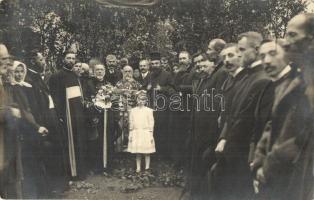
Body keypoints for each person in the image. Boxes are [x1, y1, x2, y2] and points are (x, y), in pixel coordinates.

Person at [251, 14, 314, 200]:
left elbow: (299, 137)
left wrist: (268, 165)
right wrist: (259, 162)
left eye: (292, 35)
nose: (285, 43)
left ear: (311, 41)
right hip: (280, 176)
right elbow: (273, 124)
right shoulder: (297, 79)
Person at [24, 50, 69, 193]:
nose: (44, 62)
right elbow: (34, 105)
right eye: (41, 60)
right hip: (43, 121)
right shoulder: (29, 79)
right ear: (33, 61)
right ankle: (51, 188)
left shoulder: (38, 77)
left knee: (57, 149)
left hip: (52, 116)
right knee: (49, 152)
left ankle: (59, 184)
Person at [48, 50, 88, 179]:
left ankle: (80, 171)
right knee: (69, 142)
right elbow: (55, 97)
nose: (71, 60)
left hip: (78, 115)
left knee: (79, 141)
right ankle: (71, 173)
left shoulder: (75, 75)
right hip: (67, 115)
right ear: (63, 59)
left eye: (73, 58)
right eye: (68, 58)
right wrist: (59, 115)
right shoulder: (57, 76)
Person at [187, 60, 221, 200]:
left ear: (213, 67)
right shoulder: (201, 81)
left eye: (204, 66)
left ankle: (203, 193)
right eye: (199, 66)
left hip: (208, 128)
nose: (201, 68)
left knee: (205, 160)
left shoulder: (213, 82)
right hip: (197, 127)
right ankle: (196, 191)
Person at [145, 52, 175, 158]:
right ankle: (153, 153)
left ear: (160, 63)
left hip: (163, 108)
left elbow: (173, 89)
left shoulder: (167, 75)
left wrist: (162, 89)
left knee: (163, 130)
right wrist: (147, 89)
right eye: (152, 63)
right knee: (152, 129)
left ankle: (163, 154)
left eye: (156, 63)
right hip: (151, 107)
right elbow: (145, 89)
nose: (154, 65)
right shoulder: (149, 75)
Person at [114, 65, 141, 152]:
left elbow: (141, 96)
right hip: (121, 110)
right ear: (122, 72)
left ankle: (132, 149)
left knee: (132, 129)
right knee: (119, 129)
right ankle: (119, 149)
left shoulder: (137, 83)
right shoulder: (118, 84)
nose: (127, 73)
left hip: (133, 110)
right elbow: (114, 95)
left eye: (129, 71)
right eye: (126, 71)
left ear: (132, 73)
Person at [127, 90, 155, 172]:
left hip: (145, 133)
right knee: (138, 152)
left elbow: (151, 123)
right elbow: (131, 123)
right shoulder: (133, 111)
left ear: (146, 101)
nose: (141, 101)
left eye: (143, 100)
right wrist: (131, 134)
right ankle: (138, 168)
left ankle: (147, 168)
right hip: (136, 133)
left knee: (147, 152)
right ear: (136, 100)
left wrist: (150, 135)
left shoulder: (149, 111)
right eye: (139, 99)